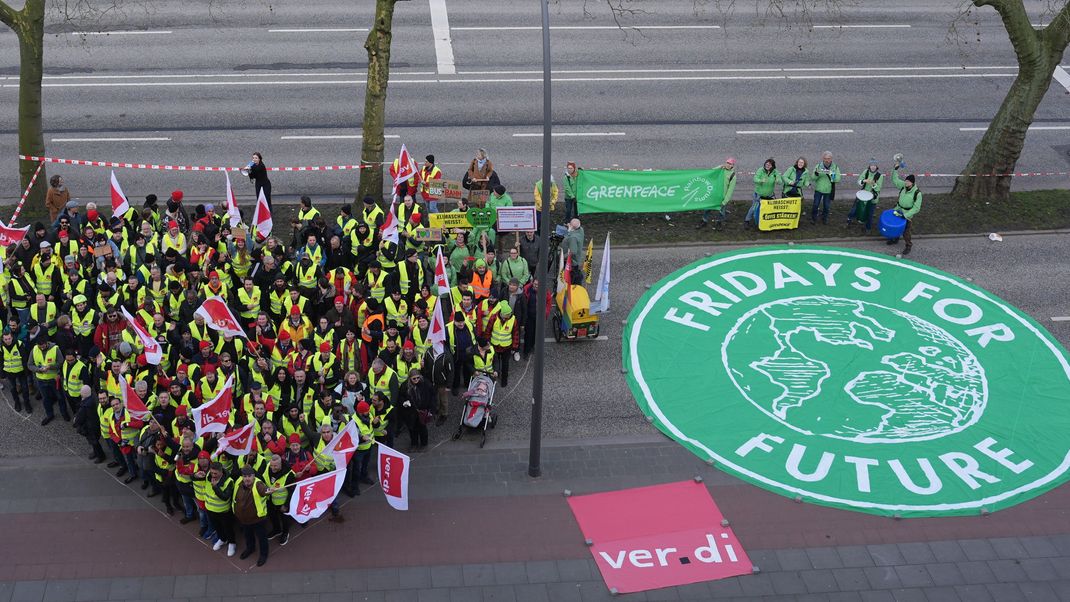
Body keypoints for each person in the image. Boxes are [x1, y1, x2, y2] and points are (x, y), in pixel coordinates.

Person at [233, 464, 272, 566]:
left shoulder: (258, 484)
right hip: (244, 519)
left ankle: (264, 554)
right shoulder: (238, 482)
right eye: (245, 476)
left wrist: (268, 491)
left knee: (262, 538)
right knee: (248, 536)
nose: (247, 479)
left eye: (249, 476)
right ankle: (250, 548)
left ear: (254, 476)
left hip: (258, 520)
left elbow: (264, 491)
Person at [29, 336, 65, 425]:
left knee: (60, 397)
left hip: (54, 379)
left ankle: (64, 413)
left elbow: (61, 362)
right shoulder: (34, 349)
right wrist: (38, 369)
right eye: (39, 346)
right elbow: (29, 365)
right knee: (45, 399)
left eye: (43, 346)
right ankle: (49, 415)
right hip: (41, 380)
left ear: (47, 343)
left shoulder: (55, 349)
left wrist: (50, 367)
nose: (41, 348)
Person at [887, 164, 922, 255]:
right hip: (898, 210)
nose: (906, 183)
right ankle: (895, 239)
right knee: (896, 226)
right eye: (905, 181)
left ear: (912, 183)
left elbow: (916, 208)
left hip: (907, 215)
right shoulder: (903, 186)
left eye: (908, 182)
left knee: (906, 231)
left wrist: (906, 215)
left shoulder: (917, 193)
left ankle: (908, 245)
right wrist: (895, 169)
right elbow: (895, 180)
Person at [696, 157, 736, 230]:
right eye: (727, 162)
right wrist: (719, 167)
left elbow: (730, 190)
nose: (728, 164)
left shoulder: (732, 175)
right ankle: (704, 221)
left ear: (732, 165)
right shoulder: (721, 170)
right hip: (713, 194)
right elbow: (710, 173)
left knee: (721, 211)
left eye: (730, 163)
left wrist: (725, 201)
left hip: (722, 197)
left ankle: (719, 223)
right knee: (707, 208)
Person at [848, 158, 884, 232]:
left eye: (874, 165)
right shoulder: (866, 172)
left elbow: (878, 189)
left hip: (873, 198)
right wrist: (864, 181)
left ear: (877, 166)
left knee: (870, 214)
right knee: (855, 208)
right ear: (869, 165)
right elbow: (859, 181)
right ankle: (850, 218)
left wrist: (874, 184)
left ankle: (868, 228)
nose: (873, 167)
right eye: (871, 165)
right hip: (862, 194)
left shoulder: (880, 176)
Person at [811, 151, 841, 225]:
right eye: (825, 158)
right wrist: (816, 174)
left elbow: (838, 179)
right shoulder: (818, 166)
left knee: (826, 207)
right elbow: (812, 178)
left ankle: (825, 218)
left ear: (831, 159)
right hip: (819, 189)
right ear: (823, 158)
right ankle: (814, 218)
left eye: (828, 158)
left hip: (828, 190)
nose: (827, 160)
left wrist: (831, 174)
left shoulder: (835, 167)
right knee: (815, 205)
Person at [746, 159, 777, 230]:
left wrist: (778, 180)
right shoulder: (760, 170)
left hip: (769, 195)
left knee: (768, 209)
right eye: (766, 164)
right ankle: (747, 221)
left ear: (772, 166)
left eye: (769, 164)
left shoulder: (775, 172)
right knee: (754, 208)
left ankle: (767, 222)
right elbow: (755, 179)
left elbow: (780, 180)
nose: (767, 165)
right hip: (759, 194)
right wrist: (760, 180)